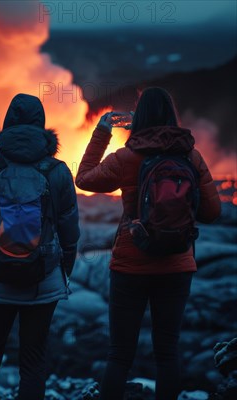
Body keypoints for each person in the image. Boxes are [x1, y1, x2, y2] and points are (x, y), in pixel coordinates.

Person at [75, 87, 221, 399]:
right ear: (172, 116)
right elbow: (212, 213)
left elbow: (83, 178)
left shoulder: (127, 157)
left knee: (119, 355)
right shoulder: (191, 157)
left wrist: (103, 131)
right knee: (167, 352)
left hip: (130, 265)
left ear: (137, 119)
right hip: (177, 266)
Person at [0, 93, 80, 400]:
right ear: (42, 127)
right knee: (33, 363)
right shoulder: (58, 171)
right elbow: (70, 234)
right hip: (43, 281)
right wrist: (62, 273)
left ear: (7, 124)